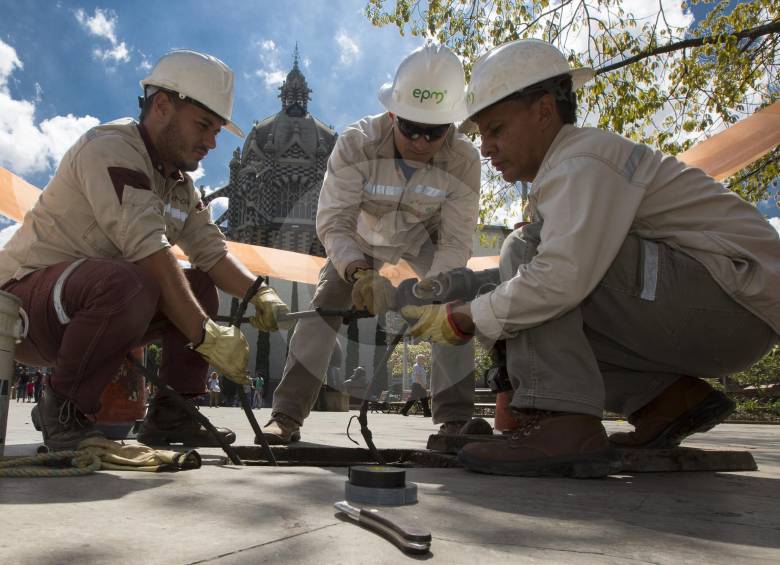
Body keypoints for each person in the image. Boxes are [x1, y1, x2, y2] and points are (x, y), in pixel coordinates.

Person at [402, 39, 780, 477]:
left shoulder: (581, 159)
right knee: (517, 294)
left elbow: (559, 277)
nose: (486, 148)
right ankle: (667, 401)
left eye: (496, 129)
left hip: (732, 304)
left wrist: (467, 317)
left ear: (544, 111)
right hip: (727, 312)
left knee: (526, 252)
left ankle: (561, 425)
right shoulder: (574, 166)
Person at [0, 49, 292, 450]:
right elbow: (148, 251)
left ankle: (174, 413)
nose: (210, 142)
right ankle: (63, 409)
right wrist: (206, 335)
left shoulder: (179, 186)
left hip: (87, 310)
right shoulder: (110, 149)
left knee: (199, 283)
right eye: (203, 126)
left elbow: (212, 253)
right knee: (136, 280)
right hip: (21, 310)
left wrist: (259, 292)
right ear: (161, 107)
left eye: (217, 132)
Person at [262, 44, 485, 445]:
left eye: (434, 132)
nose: (420, 141)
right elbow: (333, 221)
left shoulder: (465, 160)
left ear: (451, 126)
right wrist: (358, 272)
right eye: (410, 128)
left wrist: (430, 289)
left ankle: (455, 421)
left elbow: (455, 242)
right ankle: (286, 415)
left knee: (454, 300)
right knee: (327, 301)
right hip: (361, 239)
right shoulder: (355, 143)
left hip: (424, 238)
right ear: (392, 114)